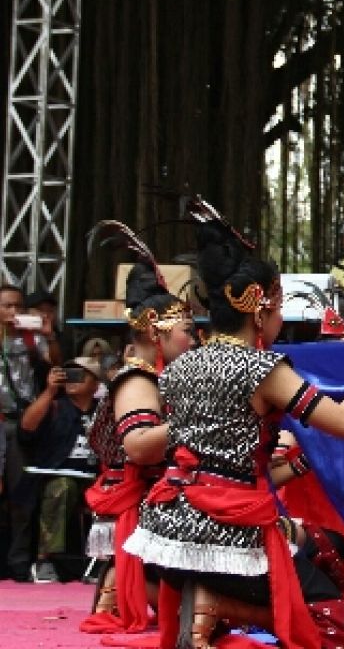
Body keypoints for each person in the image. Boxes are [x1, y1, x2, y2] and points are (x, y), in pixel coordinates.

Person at [125, 200, 344, 648]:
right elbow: (342, 422)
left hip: (170, 521)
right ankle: (217, 604)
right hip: (229, 528)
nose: (281, 320)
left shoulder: (181, 366)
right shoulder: (262, 369)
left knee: (325, 548)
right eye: (279, 310)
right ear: (258, 312)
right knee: (333, 628)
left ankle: (211, 608)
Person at [81, 253, 196, 632]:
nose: (195, 339)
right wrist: (201, 417)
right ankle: (129, 579)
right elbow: (139, 446)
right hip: (142, 500)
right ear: (154, 332)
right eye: (188, 329)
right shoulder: (137, 380)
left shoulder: (158, 378)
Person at [19, 357, 102, 583]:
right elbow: (26, 426)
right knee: (61, 487)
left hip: (95, 477)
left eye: (79, 375)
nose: (71, 379)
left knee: (116, 493)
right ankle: (44, 560)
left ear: (96, 384)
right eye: (68, 374)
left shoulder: (104, 410)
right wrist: (50, 390)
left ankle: (102, 563)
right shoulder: (55, 405)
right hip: (57, 476)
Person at [0, 283, 56, 580]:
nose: (13, 312)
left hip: (23, 422)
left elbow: (56, 366)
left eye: (19, 307)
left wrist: (49, 335)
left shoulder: (32, 339)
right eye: (7, 306)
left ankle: (19, 562)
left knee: (21, 493)